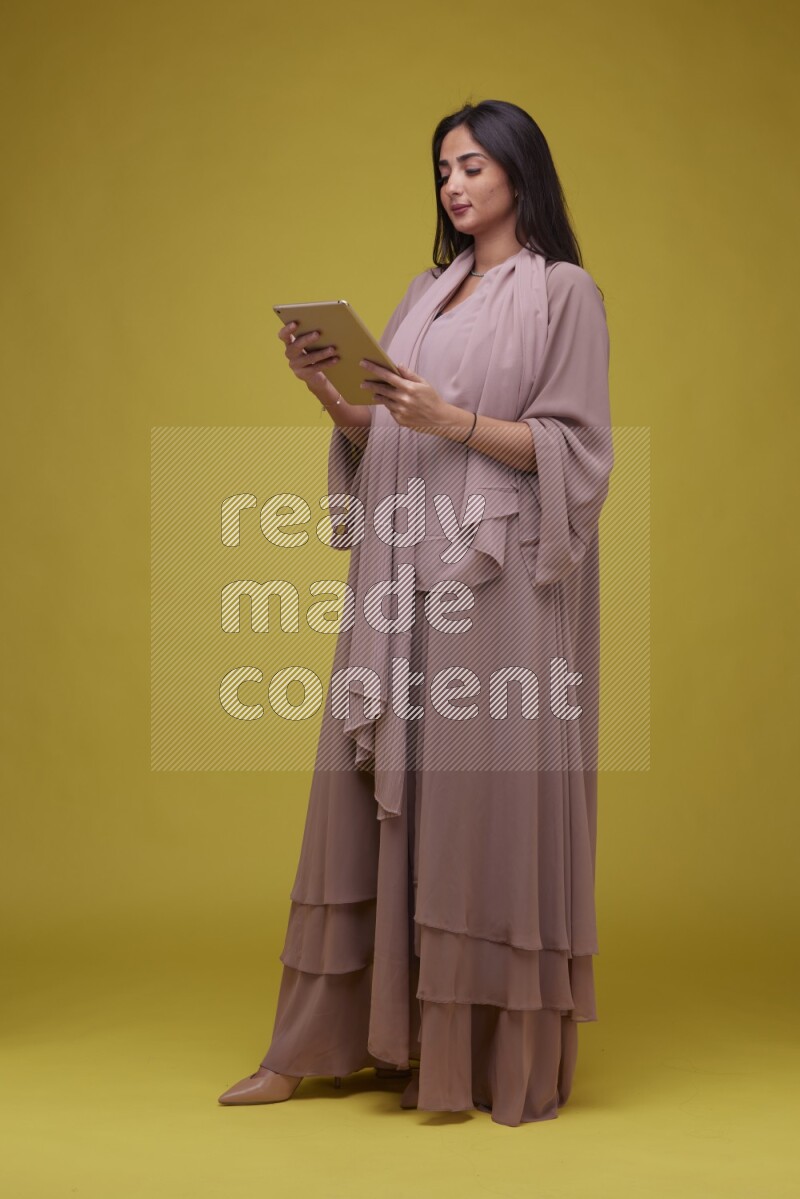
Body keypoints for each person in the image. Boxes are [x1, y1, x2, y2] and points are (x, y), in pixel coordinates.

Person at [218, 98, 614, 1127]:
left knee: (476, 805)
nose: (453, 184)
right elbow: (390, 433)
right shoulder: (423, 292)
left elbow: (574, 449)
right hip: (402, 573)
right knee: (372, 791)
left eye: (472, 165)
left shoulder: (564, 293)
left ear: (519, 172)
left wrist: (454, 419)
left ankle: (471, 1058)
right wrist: (331, 397)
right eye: (443, 168)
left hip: (496, 584)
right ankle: (319, 1044)